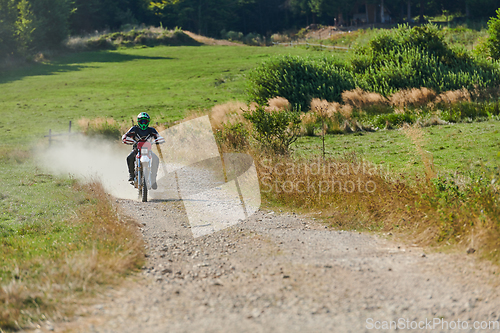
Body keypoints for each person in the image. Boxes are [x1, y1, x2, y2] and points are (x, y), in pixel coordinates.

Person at [122, 112, 165, 189]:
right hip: (136, 150)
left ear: (148, 122)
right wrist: (125, 138)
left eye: (145, 121)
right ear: (138, 122)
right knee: (129, 157)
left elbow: (158, 136)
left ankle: (153, 178)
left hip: (148, 151)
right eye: (142, 121)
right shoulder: (134, 129)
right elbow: (126, 135)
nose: (143, 123)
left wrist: (159, 139)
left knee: (156, 159)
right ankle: (131, 174)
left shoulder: (151, 130)